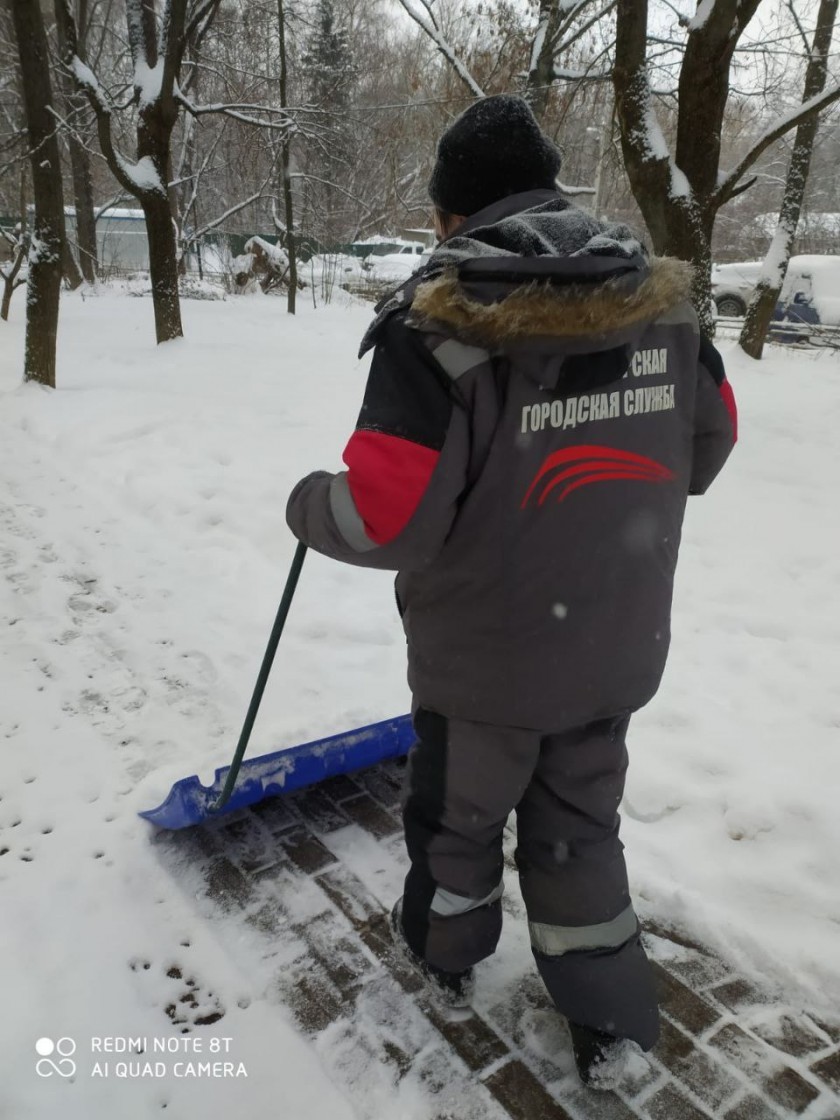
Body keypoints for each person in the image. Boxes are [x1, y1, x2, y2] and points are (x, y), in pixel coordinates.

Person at [286, 94, 737, 1086]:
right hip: (613, 645)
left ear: (452, 214)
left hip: (483, 666)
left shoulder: (437, 324)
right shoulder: (662, 302)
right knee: (580, 829)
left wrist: (309, 506)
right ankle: (609, 1023)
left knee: (459, 822)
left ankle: (448, 962)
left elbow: (386, 518)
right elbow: (709, 444)